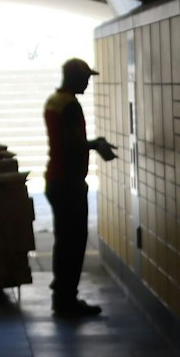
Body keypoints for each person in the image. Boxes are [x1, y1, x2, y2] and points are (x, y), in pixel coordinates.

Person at [43, 57, 116, 317]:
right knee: (74, 243)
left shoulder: (54, 101)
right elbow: (73, 144)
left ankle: (61, 296)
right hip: (69, 183)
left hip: (56, 179)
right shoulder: (71, 105)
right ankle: (67, 300)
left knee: (64, 241)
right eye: (85, 79)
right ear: (74, 78)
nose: (87, 84)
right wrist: (97, 144)